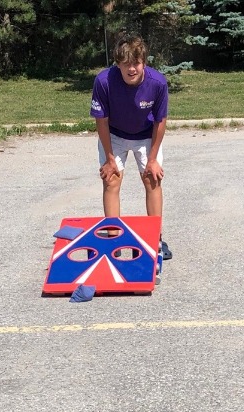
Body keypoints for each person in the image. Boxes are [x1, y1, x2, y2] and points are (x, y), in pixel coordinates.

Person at [90, 33, 172, 260]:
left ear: (144, 62)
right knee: (111, 179)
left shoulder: (158, 83)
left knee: (152, 179)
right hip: (114, 134)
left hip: (146, 136)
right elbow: (101, 121)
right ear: (118, 64)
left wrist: (153, 159)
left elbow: (160, 122)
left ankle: (156, 239)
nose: (131, 69)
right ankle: (113, 240)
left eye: (136, 63)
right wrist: (109, 158)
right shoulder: (104, 81)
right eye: (125, 64)